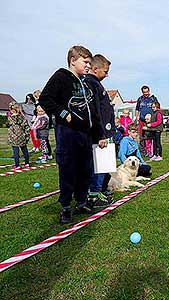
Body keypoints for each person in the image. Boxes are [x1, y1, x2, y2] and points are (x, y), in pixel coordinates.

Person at [39, 45, 106, 224]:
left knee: (85, 171)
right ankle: (66, 207)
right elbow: (45, 99)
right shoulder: (61, 77)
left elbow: (94, 113)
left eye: (90, 63)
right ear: (73, 60)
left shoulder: (87, 84)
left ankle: (81, 202)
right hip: (68, 135)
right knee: (68, 171)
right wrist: (64, 114)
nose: (88, 66)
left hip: (85, 136)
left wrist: (99, 134)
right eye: (85, 62)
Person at [83, 54, 115, 207]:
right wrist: (100, 134)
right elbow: (95, 111)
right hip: (99, 134)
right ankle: (94, 195)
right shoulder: (91, 84)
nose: (107, 75)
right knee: (99, 164)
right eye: (105, 71)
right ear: (95, 69)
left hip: (104, 133)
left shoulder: (96, 83)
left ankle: (100, 189)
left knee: (105, 164)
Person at [135, 86, 158, 155]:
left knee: (151, 136)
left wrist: (155, 117)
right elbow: (137, 109)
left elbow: (157, 107)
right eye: (144, 92)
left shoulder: (153, 98)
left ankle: (152, 151)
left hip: (151, 120)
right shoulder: (140, 99)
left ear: (149, 91)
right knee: (141, 136)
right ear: (142, 92)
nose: (146, 93)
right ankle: (142, 152)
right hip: (142, 120)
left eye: (147, 92)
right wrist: (137, 117)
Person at [7, 102, 30, 170]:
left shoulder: (10, 118)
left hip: (14, 136)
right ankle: (27, 163)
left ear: (11, 109)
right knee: (25, 150)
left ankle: (17, 165)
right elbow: (26, 126)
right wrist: (27, 136)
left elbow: (10, 126)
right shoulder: (22, 117)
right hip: (22, 136)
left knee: (16, 152)